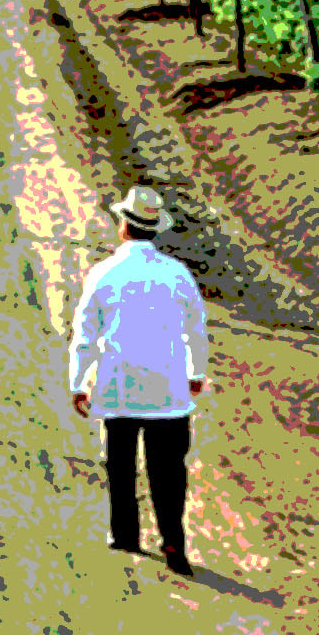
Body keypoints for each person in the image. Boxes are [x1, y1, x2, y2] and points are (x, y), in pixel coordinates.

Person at [68, 186, 209, 578]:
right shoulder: (176, 273)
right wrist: (196, 372)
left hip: (119, 384)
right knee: (168, 471)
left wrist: (78, 381)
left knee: (120, 464)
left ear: (124, 226)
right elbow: (196, 327)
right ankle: (173, 540)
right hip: (167, 388)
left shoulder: (103, 273)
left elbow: (85, 333)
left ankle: (125, 533)